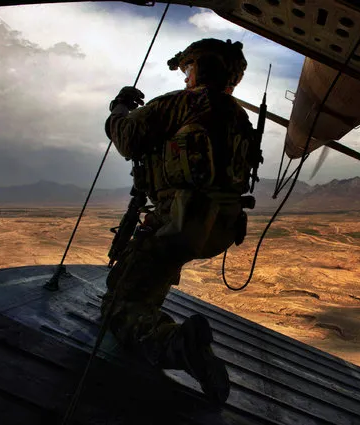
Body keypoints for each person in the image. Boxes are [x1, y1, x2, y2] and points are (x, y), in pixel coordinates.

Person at [101, 38, 256, 405]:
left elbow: (127, 139)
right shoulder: (239, 118)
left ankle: (177, 345)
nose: (186, 77)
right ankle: (167, 327)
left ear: (199, 68)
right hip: (215, 229)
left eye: (189, 69)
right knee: (146, 286)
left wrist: (118, 109)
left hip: (176, 222)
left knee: (118, 310)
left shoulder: (181, 104)